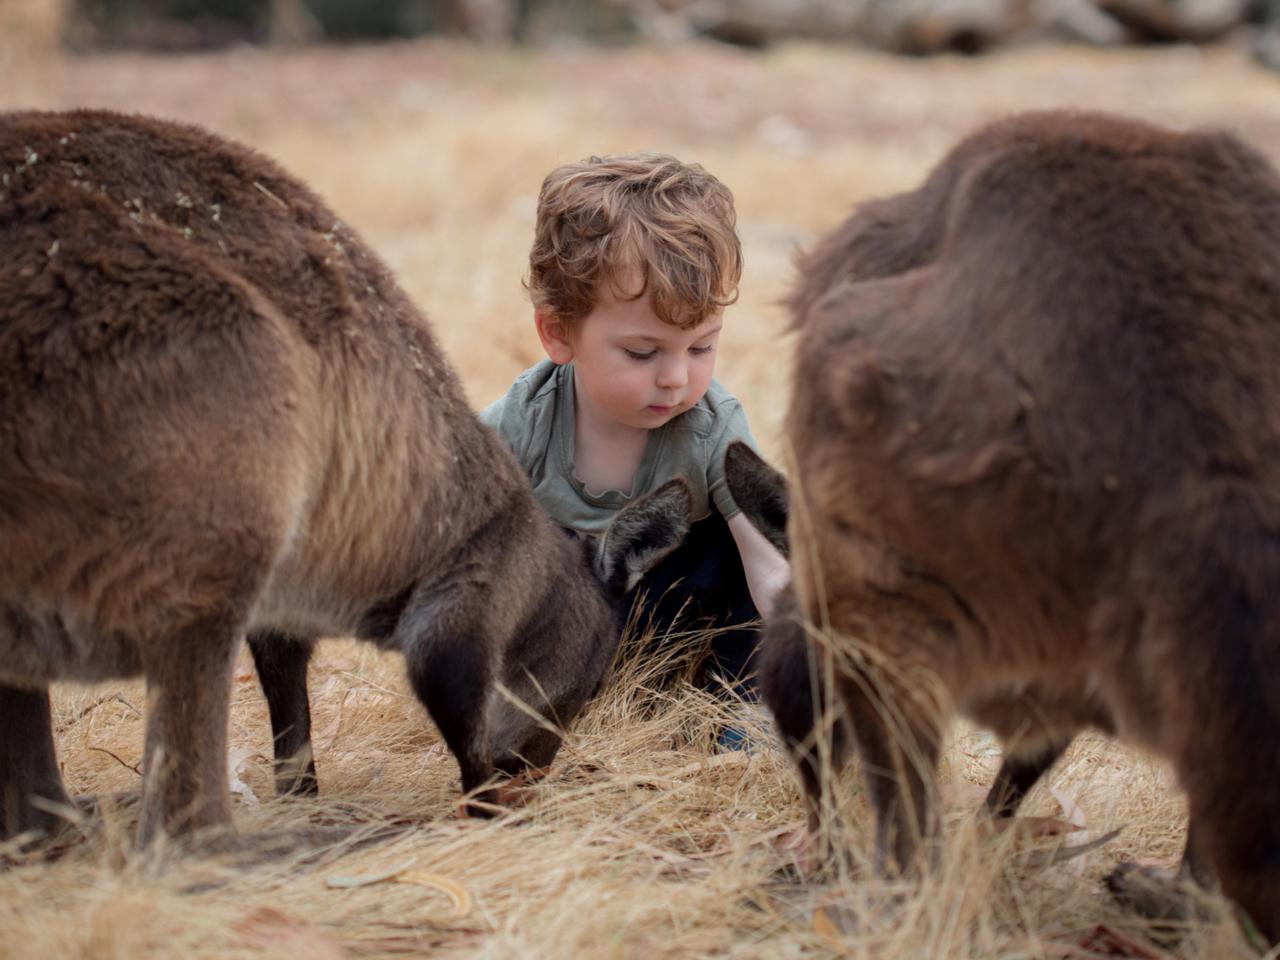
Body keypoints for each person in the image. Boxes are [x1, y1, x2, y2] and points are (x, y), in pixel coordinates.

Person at [480, 153, 789, 743]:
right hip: (560, 635)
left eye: (701, 347)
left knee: (748, 538)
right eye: (643, 353)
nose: (676, 378)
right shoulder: (521, 423)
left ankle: (742, 723)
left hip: (677, 628)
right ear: (559, 333)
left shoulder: (711, 428)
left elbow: (772, 570)